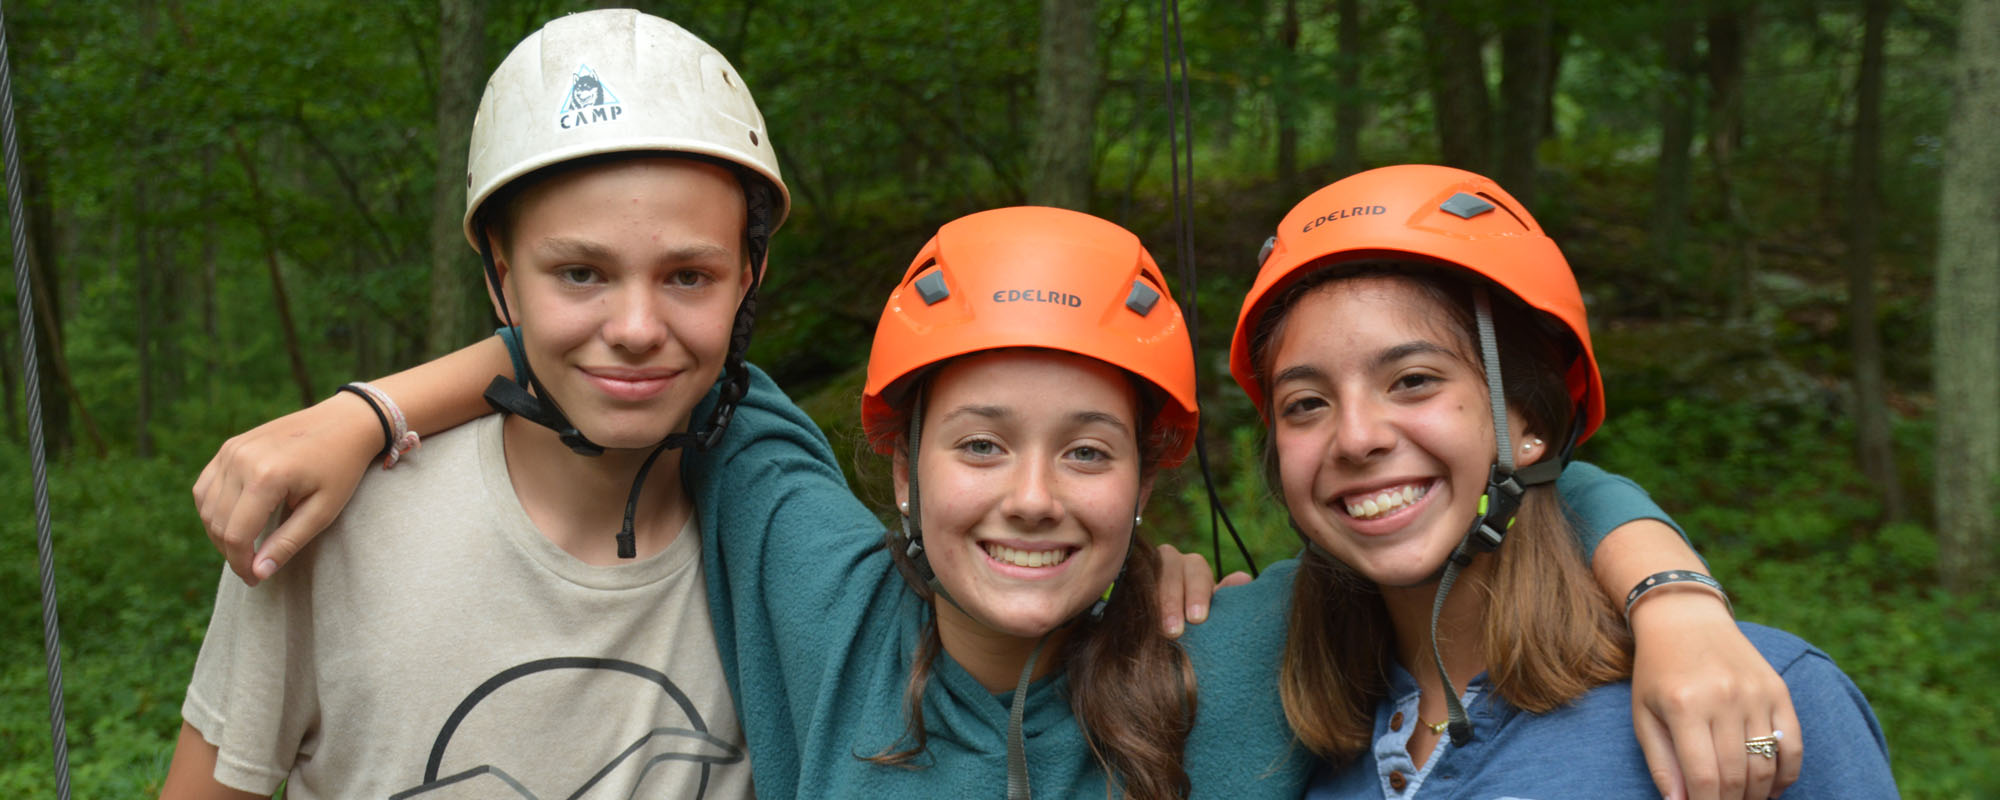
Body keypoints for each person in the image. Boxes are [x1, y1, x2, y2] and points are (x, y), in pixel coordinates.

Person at [193, 194, 1802, 797]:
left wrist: (1673, 600)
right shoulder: (817, 592)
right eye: (978, 444)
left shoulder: (1240, 665)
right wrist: (366, 411)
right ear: (891, 461)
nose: (1031, 499)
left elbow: (1486, 492)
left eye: (1088, 452)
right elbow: (660, 357)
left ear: (1153, 480)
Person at [160, 10, 785, 797]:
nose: (635, 329)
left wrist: (370, 407)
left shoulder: (779, 544)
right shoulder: (333, 529)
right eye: (580, 273)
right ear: (500, 275)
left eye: (688, 276)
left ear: (748, 279)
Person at [1223, 164, 1895, 797]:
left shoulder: (1744, 699)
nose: (1357, 436)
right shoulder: (1277, 725)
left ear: (1531, 420)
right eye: (1306, 403)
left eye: (1414, 381)